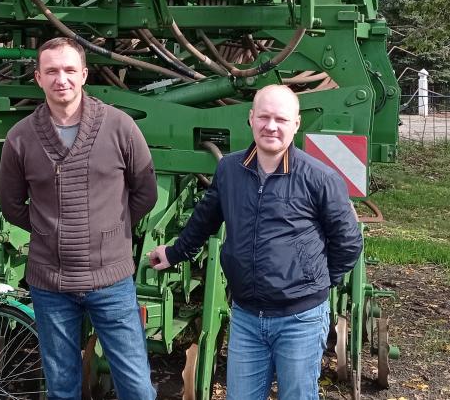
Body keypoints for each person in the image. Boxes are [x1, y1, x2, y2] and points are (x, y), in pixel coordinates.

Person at [148, 84, 362, 400]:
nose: (271, 126)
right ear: (250, 118)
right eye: (263, 117)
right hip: (247, 317)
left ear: (296, 124)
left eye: (280, 119)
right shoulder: (229, 169)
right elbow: (206, 218)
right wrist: (176, 252)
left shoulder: (320, 178)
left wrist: (317, 282)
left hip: (299, 320)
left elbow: (348, 241)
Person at [0, 37, 159, 400]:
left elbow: (145, 192)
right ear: (38, 78)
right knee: (62, 387)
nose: (62, 79)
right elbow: (11, 205)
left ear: (84, 75)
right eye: (51, 71)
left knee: (136, 386)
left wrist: (110, 231)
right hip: (50, 284)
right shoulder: (20, 138)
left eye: (70, 70)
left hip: (111, 280)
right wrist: (49, 233)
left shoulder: (119, 126)